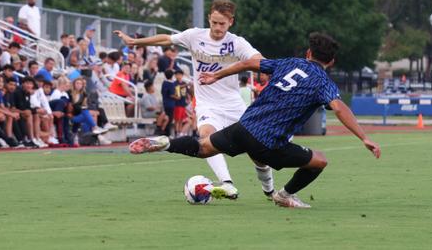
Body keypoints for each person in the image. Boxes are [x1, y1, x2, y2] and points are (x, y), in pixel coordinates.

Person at [129, 32, 381, 208]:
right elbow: (338, 107)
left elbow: (250, 63)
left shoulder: (289, 63)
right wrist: (364, 137)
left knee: (204, 147)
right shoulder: (323, 82)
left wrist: (217, 76)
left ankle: (167, 143)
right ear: (332, 62)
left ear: (307, 53)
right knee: (320, 161)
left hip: (244, 126)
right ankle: (284, 195)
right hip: (268, 143)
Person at [114, 0, 274, 200]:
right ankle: (227, 184)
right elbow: (166, 39)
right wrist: (135, 41)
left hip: (234, 105)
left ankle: (269, 190)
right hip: (207, 104)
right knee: (207, 138)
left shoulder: (236, 43)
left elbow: (256, 58)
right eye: (214, 22)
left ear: (231, 22)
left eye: (222, 24)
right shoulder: (194, 36)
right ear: (209, 19)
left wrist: (269, 67)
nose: (217, 28)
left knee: (257, 151)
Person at [173, 70, 188, 136]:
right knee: (177, 119)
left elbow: (186, 92)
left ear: (182, 75)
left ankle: (179, 132)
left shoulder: (184, 83)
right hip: (177, 104)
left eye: (180, 74)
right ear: (175, 76)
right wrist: (185, 85)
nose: (178, 76)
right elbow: (177, 88)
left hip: (183, 104)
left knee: (182, 120)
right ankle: (176, 133)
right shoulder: (175, 83)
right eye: (177, 74)